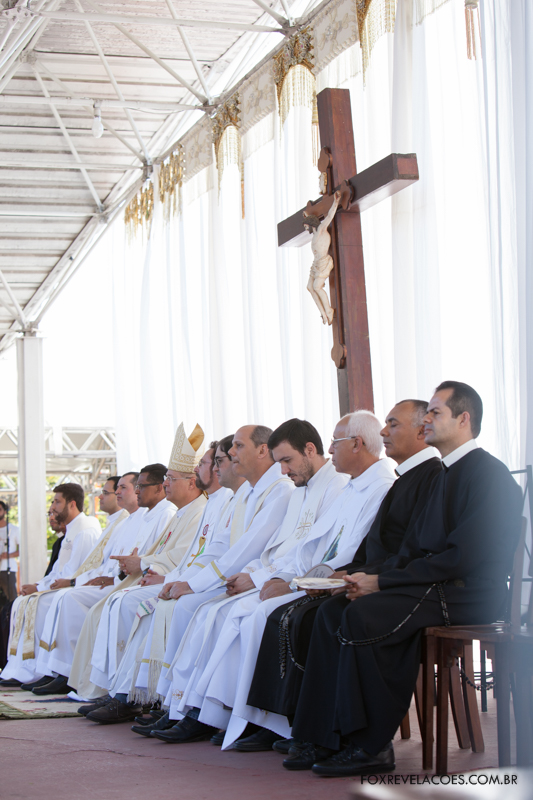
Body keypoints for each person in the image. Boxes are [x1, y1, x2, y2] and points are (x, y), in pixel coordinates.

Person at [282, 381, 522, 776]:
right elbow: (411, 549)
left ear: (464, 420)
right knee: (332, 611)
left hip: (467, 593)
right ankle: (323, 734)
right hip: (432, 584)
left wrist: (385, 583)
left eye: (436, 413)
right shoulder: (442, 474)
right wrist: (366, 577)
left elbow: (462, 558)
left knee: (365, 616)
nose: (427, 419)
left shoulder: (487, 475)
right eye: (426, 412)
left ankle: (370, 746)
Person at [162, 412, 396, 749]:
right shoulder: (309, 487)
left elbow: (335, 552)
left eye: (286, 461)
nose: (284, 471)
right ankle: (214, 711)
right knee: (223, 613)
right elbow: (289, 547)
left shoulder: (342, 485)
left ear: (310, 450)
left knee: (251, 614)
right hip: (292, 577)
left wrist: (282, 580)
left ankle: (256, 718)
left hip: (321, 580)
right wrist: (265, 575)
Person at [245, 399, 442, 747]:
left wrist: (355, 576)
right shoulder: (393, 480)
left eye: (393, 424)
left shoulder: (405, 480)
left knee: (312, 617)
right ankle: (303, 726)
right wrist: (339, 574)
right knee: (312, 615)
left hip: (403, 587)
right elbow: (353, 546)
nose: (385, 432)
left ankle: (337, 734)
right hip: (367, 576)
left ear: (356, 444)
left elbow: (411, 550)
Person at [67, 424, 207, 705]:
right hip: (163, 578)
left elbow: (182, 558)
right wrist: (141, 564)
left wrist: (143, 564)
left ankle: (126, 692)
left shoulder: (198, 510)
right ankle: (111, 686)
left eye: (171, 478)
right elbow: (169, 554)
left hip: (179, 582)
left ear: (191, 482)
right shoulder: (181, 513)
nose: (166, 484)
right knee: (117, 601)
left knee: (124, 602)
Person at [30, 473, 140, 693]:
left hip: (125, 582)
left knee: (66, 598)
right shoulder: (121, 522)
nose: (108, 495)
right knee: (55, 598)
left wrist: (74, 582)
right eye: (112, 490)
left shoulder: (99, 525)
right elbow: (98, 565)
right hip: (107, 580)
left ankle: (67, 671)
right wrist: (78, 581)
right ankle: (52, 669)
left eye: (117, 489)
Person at [0, 484, 101, 685]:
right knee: (21, 602)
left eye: (57, 501)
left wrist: (40, 588)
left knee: (38, 604)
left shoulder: (85, 530)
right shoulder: (71, 531)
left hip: (76, 587)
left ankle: (46, 670)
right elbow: (56, 572)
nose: (52, 507)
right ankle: (20, 667)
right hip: (62, 585)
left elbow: (74, 573)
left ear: (71, 504)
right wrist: (37, 585)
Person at [0, 509, 66, 672]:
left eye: (54, 514)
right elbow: (51, 574)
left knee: (20, 604)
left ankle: (38, 667)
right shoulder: (60, 542)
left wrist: (37, 587)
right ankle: (13, 664)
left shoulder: (76, 538)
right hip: (51, 586)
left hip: (64, 589)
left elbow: (65, 575)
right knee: (11, 608)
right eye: (49, 514)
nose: (51, 518)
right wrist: (37, 585)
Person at [0, 500, 19, 602]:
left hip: (8, 569)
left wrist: (9, 555)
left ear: (5, 511)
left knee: (11, 599)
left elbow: (22, 551)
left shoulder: (14, 529)